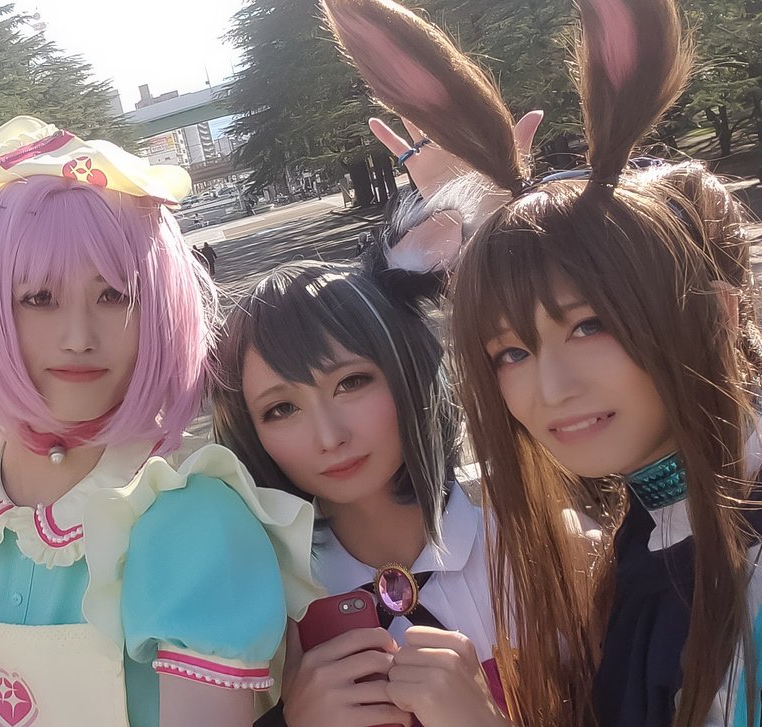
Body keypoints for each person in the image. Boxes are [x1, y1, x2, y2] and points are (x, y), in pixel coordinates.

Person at [322, 0, 762, 723]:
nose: (550, 388)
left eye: (590, 325)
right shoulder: (650, 527)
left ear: (713, 312)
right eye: (511, 351)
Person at [0, 116, 318, 726]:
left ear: (160, 307)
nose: (78, 337)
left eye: (115, 294)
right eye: (39, 298)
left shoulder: (188, 521)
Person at [213, 260, 509, 727]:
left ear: (407, 370)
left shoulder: (538, 555)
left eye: (350, 383)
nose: (329, 437)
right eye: (282, 409)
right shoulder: (255, 615)